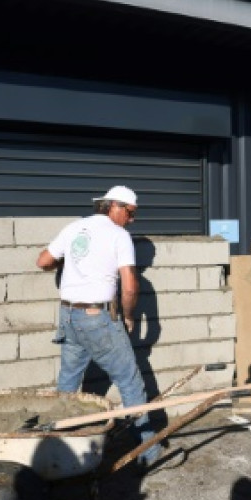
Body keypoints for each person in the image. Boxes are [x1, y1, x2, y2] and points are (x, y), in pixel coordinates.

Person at [37, 185, 161, 467]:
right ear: (115, 207)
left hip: (68, 316)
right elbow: (129, 286)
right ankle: (149, 451)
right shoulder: (119, 236)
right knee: (130, 381)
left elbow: (42, 260)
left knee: (68, 381)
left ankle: (59, 442)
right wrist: (128, 316)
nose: (132, 220)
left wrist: (65, 266)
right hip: (98, 318)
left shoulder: (74, 229)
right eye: (130, 213)